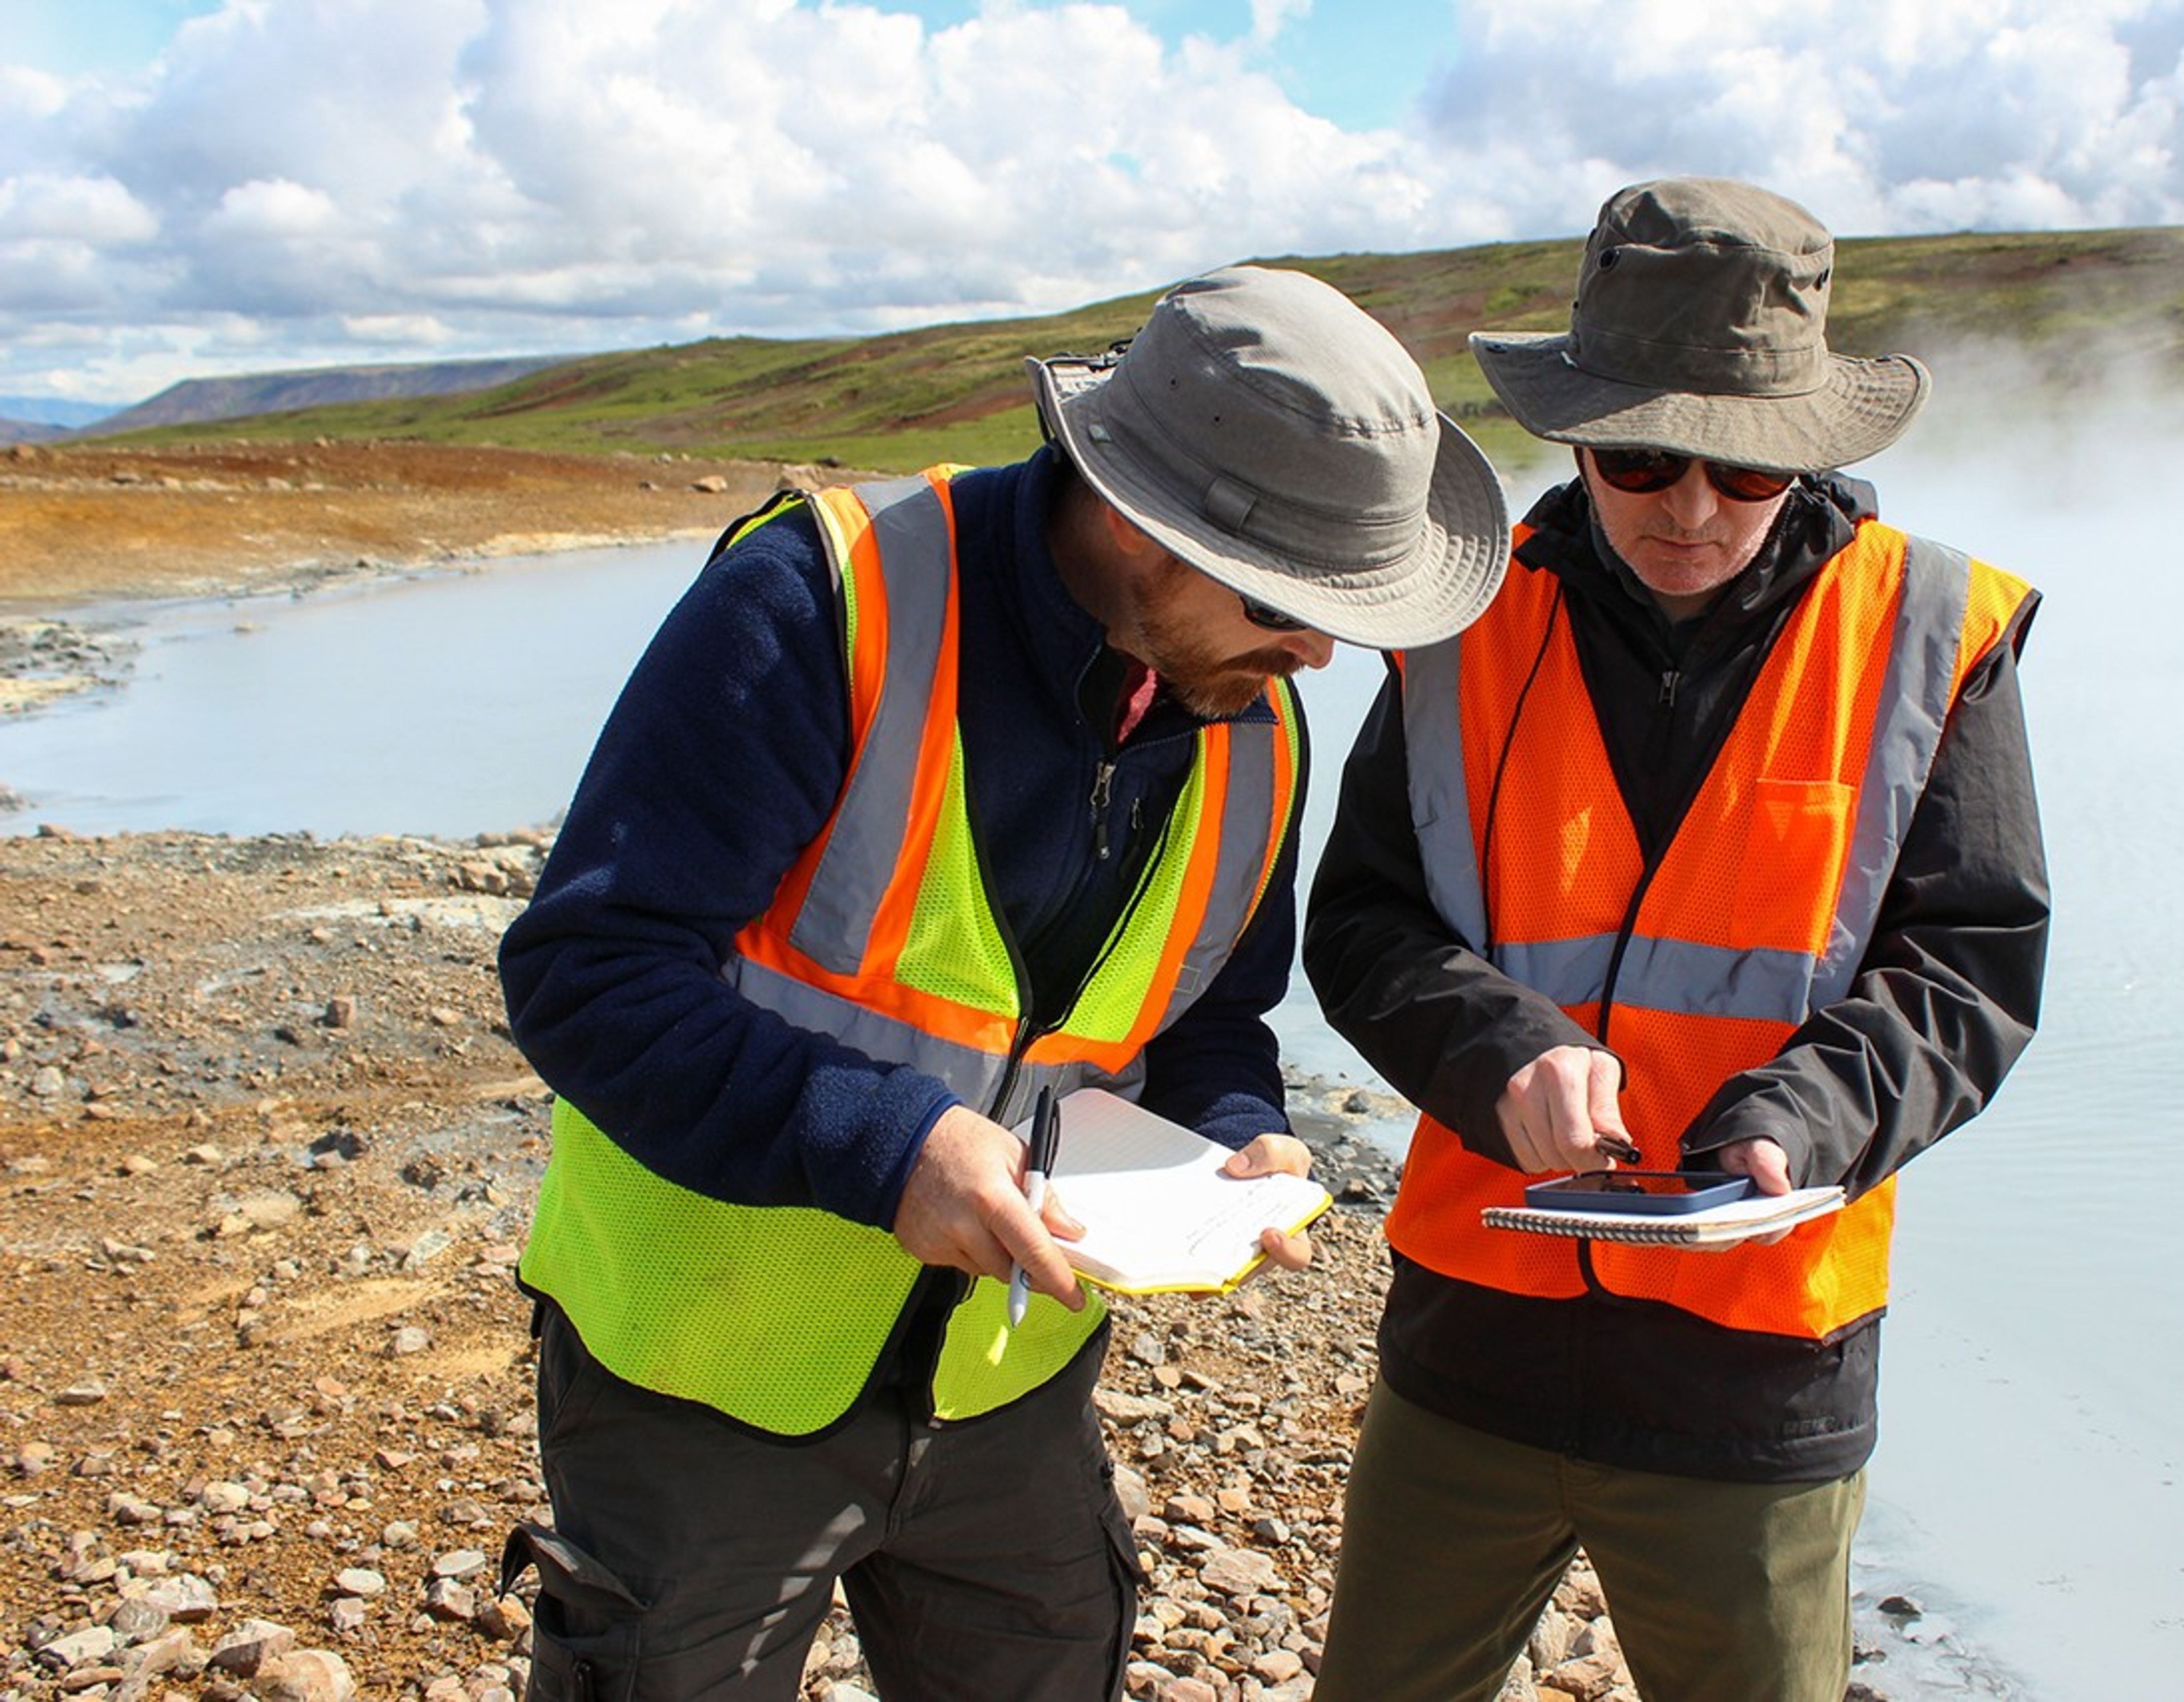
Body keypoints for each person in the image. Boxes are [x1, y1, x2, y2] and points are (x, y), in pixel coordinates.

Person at [494, 264, 1507, 1701]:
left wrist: (1230, 1129)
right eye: (1284, 598)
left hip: (1008, 1381)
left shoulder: (1250, 716)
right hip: (703, 1363)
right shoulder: (815, 600)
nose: (1317, 649)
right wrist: (891, 1144)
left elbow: (1209, 1013)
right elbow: (587, 974)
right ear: (1140, 529)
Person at [1303, 178, 2049, 1700]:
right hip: (1469, 1340)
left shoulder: (1929, 630)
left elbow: (1969, 967)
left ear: (1807, 450)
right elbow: (1364, 921)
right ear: (1572, 432)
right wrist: (1496, 1049)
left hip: (1758, 1374)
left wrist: (1807, 1114)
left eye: (1741, 467)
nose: (1689, 507)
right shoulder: (1459, 616)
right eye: (1641, 456)